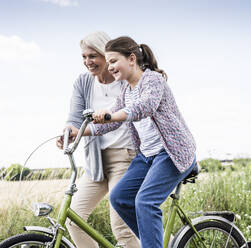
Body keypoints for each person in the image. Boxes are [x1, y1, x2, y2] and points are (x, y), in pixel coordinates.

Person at [89, 36, 197, 248]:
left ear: (131, 59)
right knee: (119, 198)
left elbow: (144, 107)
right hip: (147, 156)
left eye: (112, 61)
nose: (109, 67)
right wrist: (82, 131)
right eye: (108, 62)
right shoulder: (125, 90)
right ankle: (153, 242)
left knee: (145, 202)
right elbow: (111, 121)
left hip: (172, 153)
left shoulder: (153, 80)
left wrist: (111, 115)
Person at [56, 32, 140, 248]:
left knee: (121, 227)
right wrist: (67, 133)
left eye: (93, 56)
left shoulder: (125, 80)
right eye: (84, 57)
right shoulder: (84, 82)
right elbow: (74, 118)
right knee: (73, 217)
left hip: (125, 157)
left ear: (107, 54)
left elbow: (131, 114)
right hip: (95, 162)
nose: (87, 62)